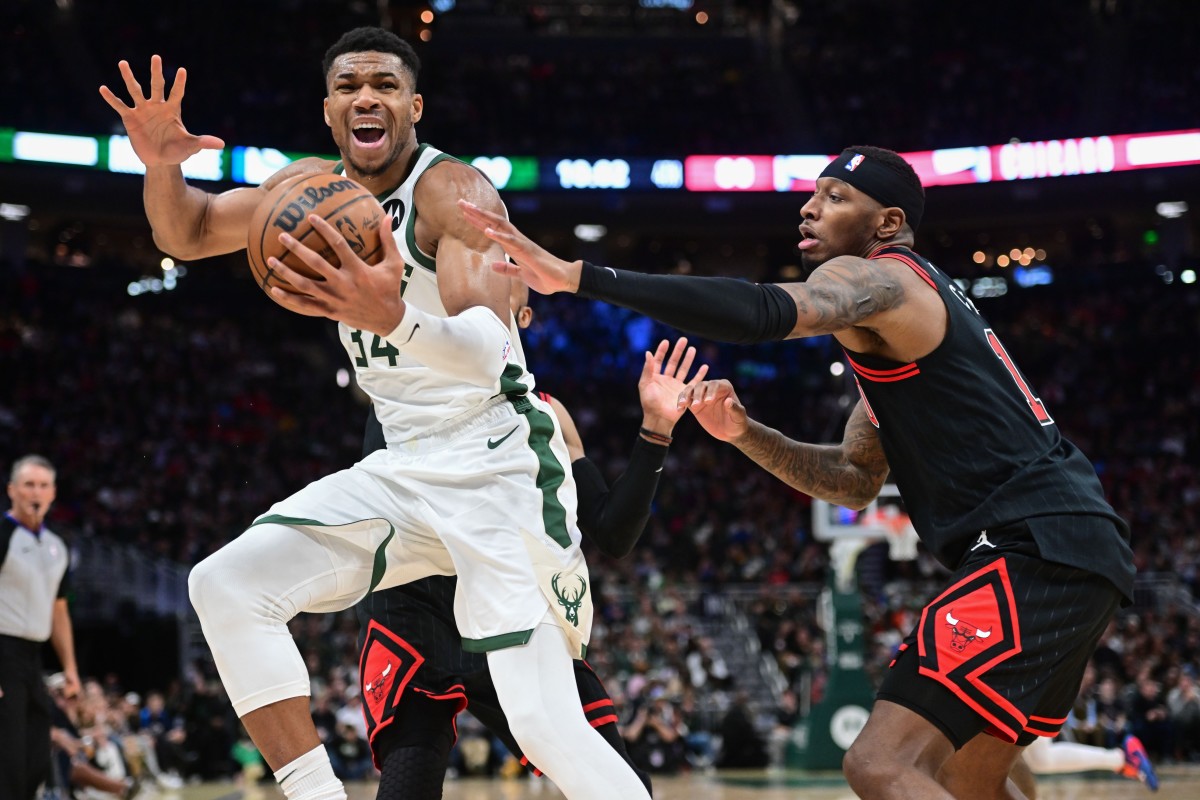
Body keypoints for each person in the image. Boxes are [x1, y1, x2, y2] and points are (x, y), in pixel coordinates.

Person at [458, 144, 1136, 800]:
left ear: (887, 224)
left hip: (1033, 544)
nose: (809, 209)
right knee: (972, 779)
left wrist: (580, 277)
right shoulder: (900, 334)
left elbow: (759, 312)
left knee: (878, 764)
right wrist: (747, 433)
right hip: (1074, 547)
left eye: (834, 197)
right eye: (812, 194)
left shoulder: (880, 279)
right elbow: (854, 479)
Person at [99, 27, 651, 800]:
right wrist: (160, 164)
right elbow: (185, 230)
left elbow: (494, 352)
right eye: (350, 85)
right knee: (224, 585)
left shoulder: (451, 193)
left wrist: (394, 318)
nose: (367, 96)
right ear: (329, 110)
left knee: (545, 725)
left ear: (414, 106)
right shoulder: (309, 190)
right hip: (403, 463)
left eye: (385, 85)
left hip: (498, 466)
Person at [356, 280, 706, 797]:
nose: (470, 289)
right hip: (417, 606)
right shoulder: (399, 391)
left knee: (621, 778)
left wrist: (655, 430)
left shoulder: (546, 413)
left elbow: (611, 533)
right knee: (410, 781)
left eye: (494, 288)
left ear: (520, 317)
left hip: (514, 601)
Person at [0, 454, 80, 800]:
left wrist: (71, 669)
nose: (36, 492)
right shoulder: (3, 533)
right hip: (3, 651)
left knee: (35, 751)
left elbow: (58, 609)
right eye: (29, 484)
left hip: (33, 658)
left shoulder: (56, 546)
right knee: (8, 755)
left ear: (53, 494)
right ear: (11, 490)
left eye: (43, 485)